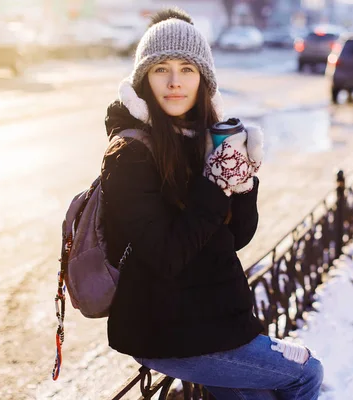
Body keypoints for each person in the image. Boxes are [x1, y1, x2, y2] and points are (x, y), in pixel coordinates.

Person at [102, 8, 324, 400]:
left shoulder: (200, 139)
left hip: (213, 322)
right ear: (143, 79)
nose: (175, 82)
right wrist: (213, 183)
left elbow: (234, 237)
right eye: (161, 69)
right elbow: (167, 254)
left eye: (187, 69)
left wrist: (242, 184)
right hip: (167, 330)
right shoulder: (129, 154)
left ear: (203, 78)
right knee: (305, 374)